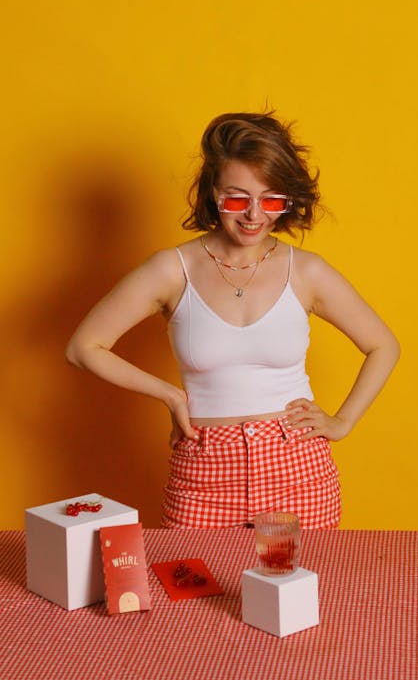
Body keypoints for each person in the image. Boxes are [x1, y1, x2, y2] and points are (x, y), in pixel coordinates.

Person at [66, 111, 400, 530]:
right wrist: (170, 395)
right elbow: (83, 348)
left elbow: (383, 345)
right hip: (203, 471)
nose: (254, 215)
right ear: (212, 193)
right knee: (194, 592)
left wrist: (342, 421)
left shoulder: (307, 271)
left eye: (272, 199)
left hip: (297, 467)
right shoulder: (172, 269)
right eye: (237, 198)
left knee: (298, 592)